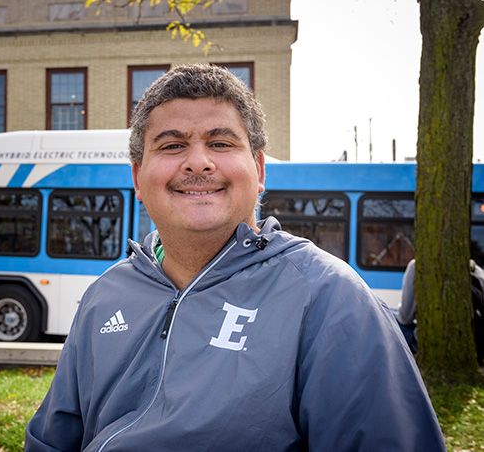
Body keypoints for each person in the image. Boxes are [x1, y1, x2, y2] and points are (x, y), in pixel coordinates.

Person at [25, 64, 446, 451]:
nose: (198, 162)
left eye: (220, 142)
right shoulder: (104, 296)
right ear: (137, 176)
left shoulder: (329, 298)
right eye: (172, 145)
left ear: (259, 171)